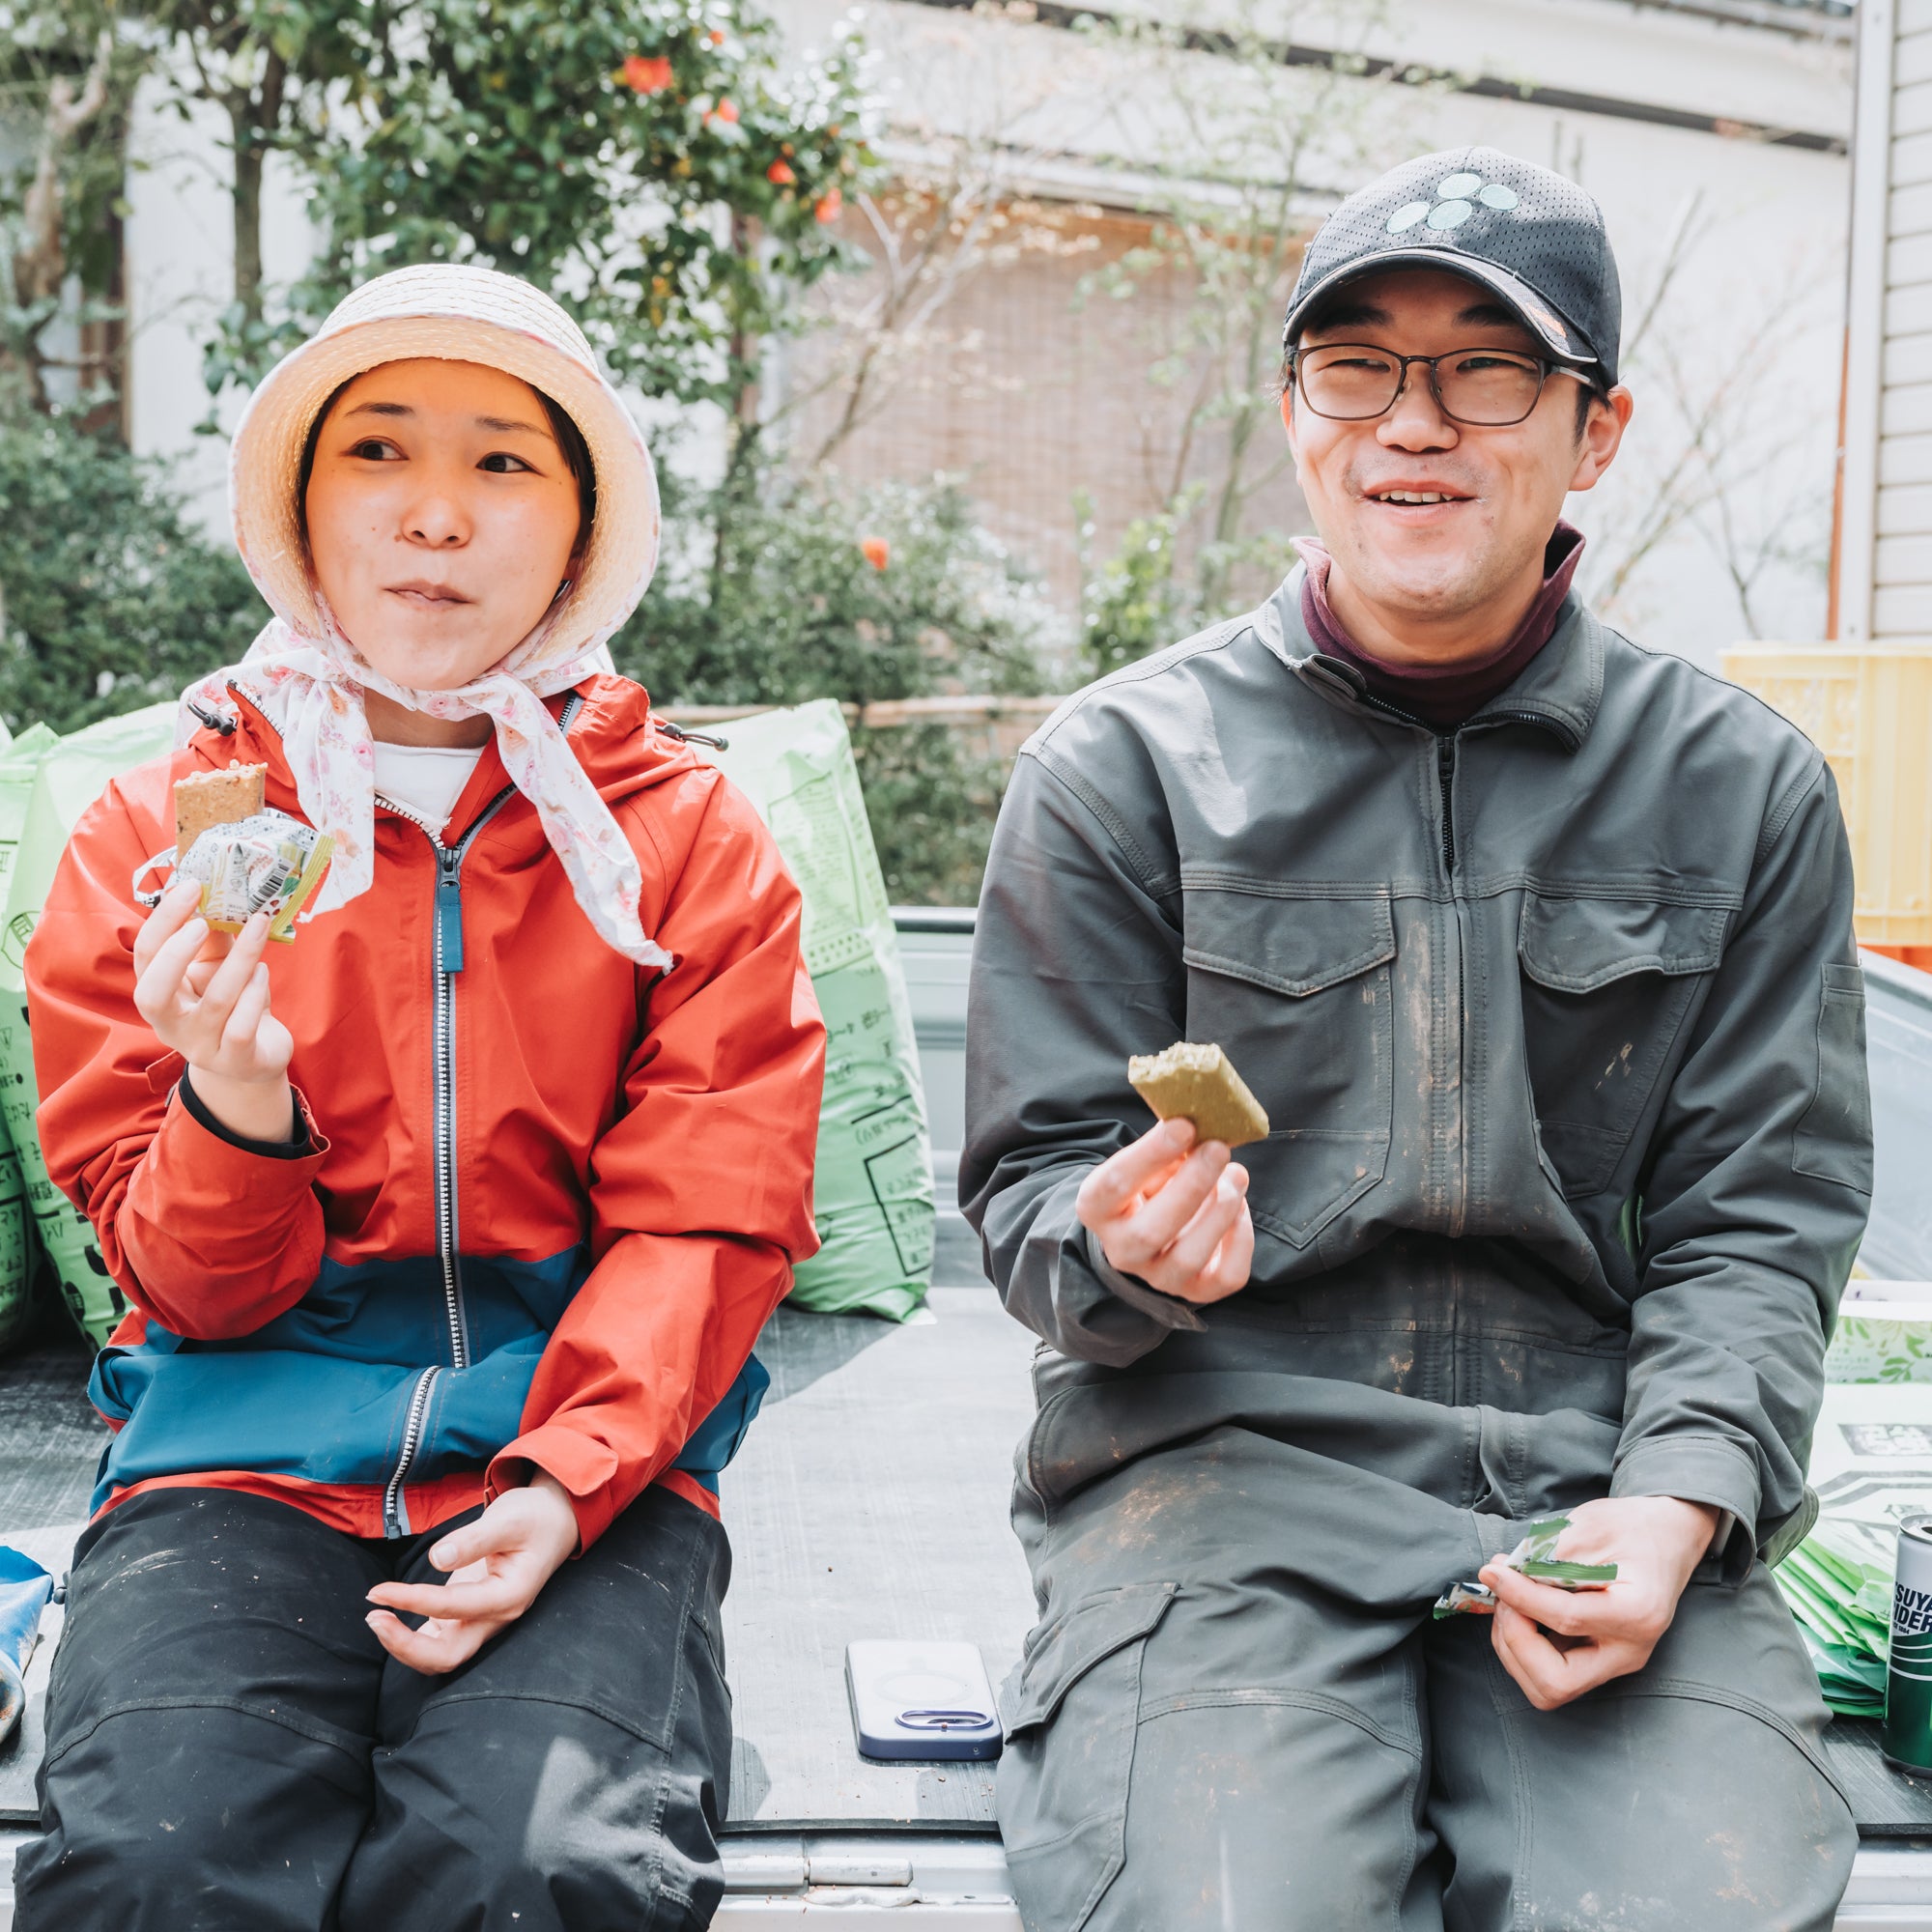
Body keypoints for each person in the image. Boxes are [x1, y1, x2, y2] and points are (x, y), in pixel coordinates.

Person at [963, 147, 1870, 1931]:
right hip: (1214, 1475)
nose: (1413, 422)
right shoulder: (1121, 770)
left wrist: (1681, 1498)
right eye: (1357, 364)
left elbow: (1760, 1223)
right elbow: (1034, 1196)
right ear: (1296, 415)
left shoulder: (1743, 789)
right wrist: (1114, 1245)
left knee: (1697, 1912)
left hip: (1594, 1471)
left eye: (1487, 370)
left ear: (1595, 432)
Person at [15, 265, 826, 1931]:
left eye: (503, 462)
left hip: (586, 1467)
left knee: (543, 1874)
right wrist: (235, 1098)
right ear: (299, 510)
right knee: (156, 1868)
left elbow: (711, 1214)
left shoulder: (689, 838)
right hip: (231, 1469)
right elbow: (189, 1293)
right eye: (377, 450)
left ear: (584, 527)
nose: (436, 515)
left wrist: (568, 1479)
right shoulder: (156, 838)